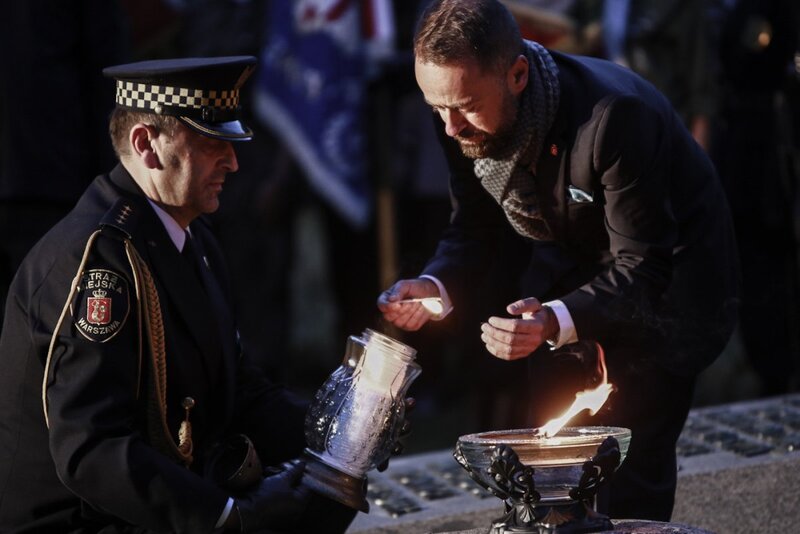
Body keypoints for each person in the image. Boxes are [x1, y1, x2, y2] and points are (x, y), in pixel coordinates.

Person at [378, 0, 739, 521]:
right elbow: (476, 228)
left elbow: (642, 264)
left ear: (518, 73)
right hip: (568, 266)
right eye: (437, 108)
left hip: (669, 284)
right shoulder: (456, 105)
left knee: (628, 463)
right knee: (548, 459)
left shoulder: (612, 118)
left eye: (463, 107)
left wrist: (555, 318)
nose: (451, 127)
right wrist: (438, 283)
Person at [0, 57, 360, 533]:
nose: (232, 161)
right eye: (211, 144)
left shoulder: (191, 236)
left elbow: (239, 391)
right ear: (146, 145)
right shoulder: (98, 263)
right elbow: (92, 450)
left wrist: (343, 433)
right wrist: (228, 519)